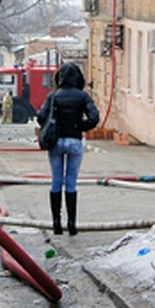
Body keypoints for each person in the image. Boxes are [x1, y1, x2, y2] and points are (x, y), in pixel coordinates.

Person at [36, 62, 100, 235]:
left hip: (55, 142)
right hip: (74, 141)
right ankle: (72, 224)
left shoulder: (53, 96)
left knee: (56, 181)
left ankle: (56, 223)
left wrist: (51, 124)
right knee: (71, 183)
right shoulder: (82, 96)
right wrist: (81, 126)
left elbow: (41, 116)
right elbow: (94, 117)